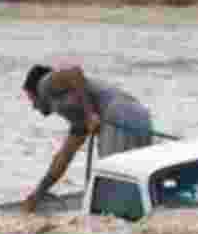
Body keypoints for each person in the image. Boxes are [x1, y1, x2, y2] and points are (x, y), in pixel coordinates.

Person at [20, 64, 152, 213]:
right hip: (141, 116)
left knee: (112, 177)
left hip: (117, 114)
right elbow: (63, 158)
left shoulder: (44, 84)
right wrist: (39, 193)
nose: (33, 106)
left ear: (36, 92)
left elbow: (74, 73)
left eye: (31, 99)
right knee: (137, 180)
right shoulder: (79, 119)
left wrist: (90, 114)